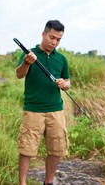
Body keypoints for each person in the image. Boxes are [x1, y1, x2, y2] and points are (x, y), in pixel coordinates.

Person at [16, 20, 70, 185]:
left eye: (58, 39)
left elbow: (68, 81)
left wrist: (64, 83)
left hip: (56, 110)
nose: (54, 42)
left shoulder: (61, 59)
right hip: (33, 110)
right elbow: (19, 74)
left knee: (56, 149)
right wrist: (26, 62)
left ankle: (48, 182)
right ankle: (23, 183)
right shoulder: (29, 54)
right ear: (44, 34)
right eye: (52, 37)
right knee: (26, 149)